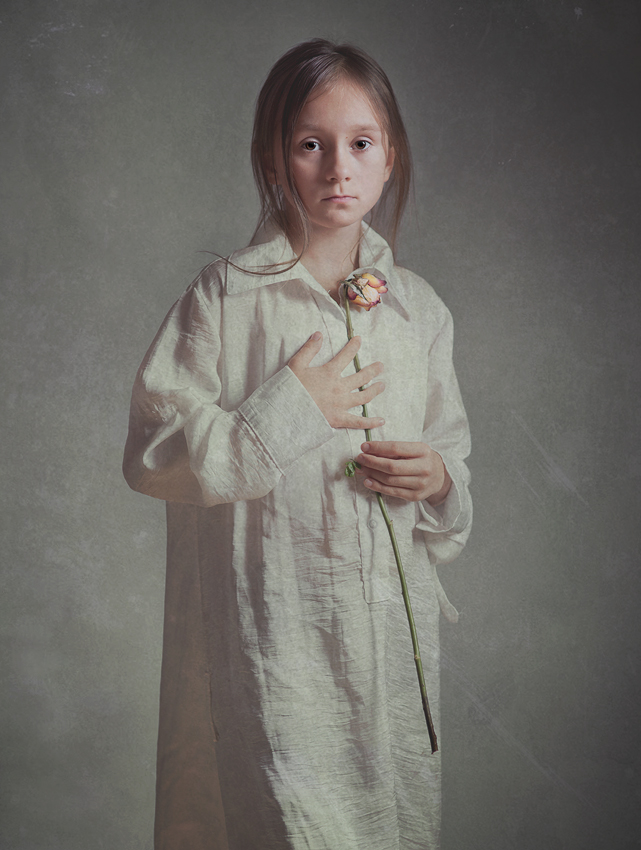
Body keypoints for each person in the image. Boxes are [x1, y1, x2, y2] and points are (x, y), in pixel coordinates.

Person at [123, 38, 472, 850]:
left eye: (361, 143)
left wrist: (436, 480)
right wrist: (285, 410)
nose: (338, 168)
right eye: (311, 144)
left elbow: (451, 471)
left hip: (390, 657)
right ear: (273, 157)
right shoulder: (226, 297)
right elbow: (152, 449)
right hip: (275, 644)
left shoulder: (418, 311)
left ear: (391, 157)